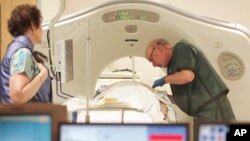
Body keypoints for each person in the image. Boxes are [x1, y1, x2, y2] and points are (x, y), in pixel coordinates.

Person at [145, 38, 235, 140]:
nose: (153, 64)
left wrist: (164, 80)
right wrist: (164, 97)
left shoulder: (181, 48)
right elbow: (184, 98)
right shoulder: (173, 68)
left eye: (151, 59)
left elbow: (187, 76)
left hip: (212, 109)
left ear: (159, 47)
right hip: (202, 112)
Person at [0, 4, 51, 104]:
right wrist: (43, 75)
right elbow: (18, 96)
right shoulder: (22, 53)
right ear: (32, 25)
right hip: (21, 119)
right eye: (40, 25)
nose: (42, 29)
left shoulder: (15, 48)